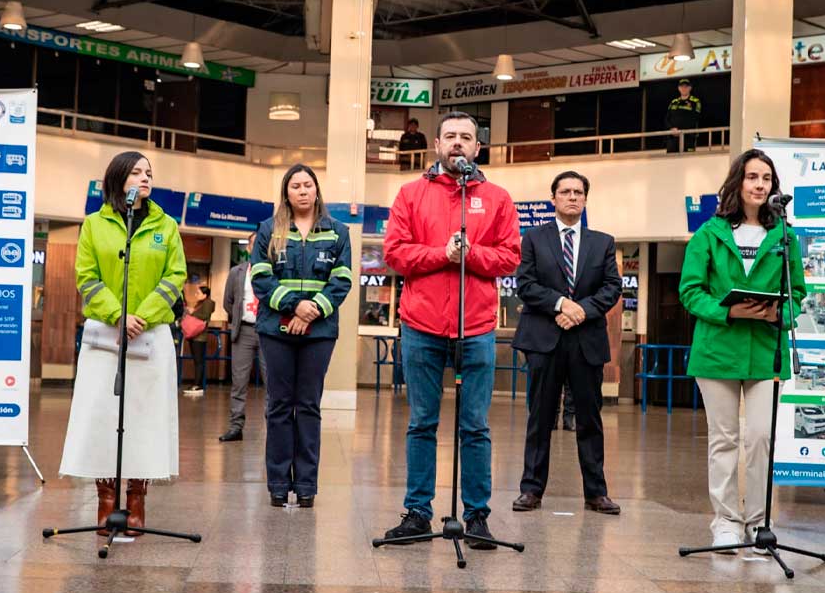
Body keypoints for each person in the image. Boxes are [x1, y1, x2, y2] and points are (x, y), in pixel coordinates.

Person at [382, 111, 521, 547]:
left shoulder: (497, 198)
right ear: (437, 145)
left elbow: (510, 258)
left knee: (475, 426)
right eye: (450, 136)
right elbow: (395, 253)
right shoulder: (410, 194)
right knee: (422, 423)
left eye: (466, 137)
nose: (457, 143)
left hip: (475, 328)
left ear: (477, 147)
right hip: (421, 325)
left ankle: (477, 516)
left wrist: (471, 254)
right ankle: (417, 513)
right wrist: (442, 254)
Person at [679, 149, 806, 553]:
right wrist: (727, 310)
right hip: (717, 350)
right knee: (724, 440)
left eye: (766, 178)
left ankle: (758, 522)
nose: (760, 185)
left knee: (760, 438)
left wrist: (778, 313)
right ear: (738, 182)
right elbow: (690, 291)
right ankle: (726, 522)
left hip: (765, 351)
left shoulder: (785, 236)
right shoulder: (709, 234)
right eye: (752, 177)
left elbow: (798, 293)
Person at [60, 150, 186, 536]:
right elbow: (86, 277)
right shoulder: (94, 224)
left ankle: (136, 498)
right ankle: (106, 498)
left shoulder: (167, 226)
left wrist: (141, 316)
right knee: (103, 415)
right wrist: (118, 315)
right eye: (136, 172)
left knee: (145, 418)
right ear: (118, 179)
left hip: (151, 334)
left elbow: (175, 275)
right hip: (105, 336)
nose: (145, 178)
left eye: (149, 173)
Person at [511, 171, 622, 515]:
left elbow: (611, 287)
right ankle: (531, 490)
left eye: (578, 192)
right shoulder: (533, 238)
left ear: (585, 199)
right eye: (565, 192)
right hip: (544, 339)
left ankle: (596, 493)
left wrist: (580, 311)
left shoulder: (602, 242)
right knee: (540, 417)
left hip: (585, 340)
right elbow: (525, 284)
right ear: (553, 199)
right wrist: (561, 305)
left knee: (589, 419)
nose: (572, 197)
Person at [250, 164, 353, 508]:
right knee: (279, 405)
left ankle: (307, 485)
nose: (303, 191)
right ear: (286, 192)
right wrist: (295, 306)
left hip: (319, 332)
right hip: (275, 330)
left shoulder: (337, 232)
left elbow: (342, 280)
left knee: (308, 405)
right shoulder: (268, 230)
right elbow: (261, 278)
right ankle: (279, 484)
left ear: (316, 189)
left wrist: (312, 311)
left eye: (308, 185)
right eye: (295, 186)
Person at [219, 234, 269, 442]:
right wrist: (240, 317)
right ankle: (236, 427)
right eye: (254, 244)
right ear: (248, 248)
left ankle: (274, 428)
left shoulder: (274, 272)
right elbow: (228, 302)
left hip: (268, 333)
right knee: (239, 382)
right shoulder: (236, 272)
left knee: (272, 383)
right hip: (244, 332)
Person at [184, 285, 215, 395]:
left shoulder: (208, 303)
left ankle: (198, 385)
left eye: (198, 293)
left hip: (200, 336)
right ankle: (196, 383)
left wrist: (192, 312)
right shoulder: (200, 303)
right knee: (197, 361)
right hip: (194, 335)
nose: (196, 295)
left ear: (205, 295)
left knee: (199, 361)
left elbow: (205, 316)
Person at [665, 78, 702, 153]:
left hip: (688, 137)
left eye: (686, 86)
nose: (684, 88)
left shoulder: (695, 101)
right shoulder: (673, 102)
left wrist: (680, 130)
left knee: (688, 159)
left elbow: (695, 118)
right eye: (681, 86)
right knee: (671, 159)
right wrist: (672, 128)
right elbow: (667, 118)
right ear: (678, 88)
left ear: (690, 88)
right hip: (673, 138)